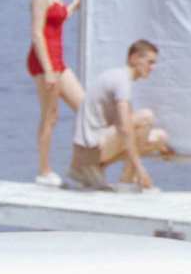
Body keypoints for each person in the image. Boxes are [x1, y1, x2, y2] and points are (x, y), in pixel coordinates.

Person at [68, 39, 174, 192]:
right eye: (150, 62)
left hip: (96, 146)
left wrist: (163, 148)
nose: (152, 67)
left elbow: (128, 123)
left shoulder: (121, 79)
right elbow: (125, 128)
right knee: (146, 117)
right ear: (134, 59)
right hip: (90, 149)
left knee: (159, 138)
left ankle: (97, 170)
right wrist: (140, 168)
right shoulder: (121, 80)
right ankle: (126, 180)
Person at [28, 0, 84, 187]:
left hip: (58, 59)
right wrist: (49, 71)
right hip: (44, 61)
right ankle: (44, 172)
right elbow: (37, 33)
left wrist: (72, 7)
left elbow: (56, 20)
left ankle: (78, 166)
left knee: (85, 107)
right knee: (50, 116)